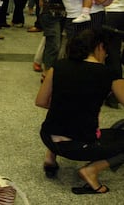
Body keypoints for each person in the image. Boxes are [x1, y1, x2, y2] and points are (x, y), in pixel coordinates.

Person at [36, 29, 124, 194]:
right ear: (99, 47)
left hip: (47, 137)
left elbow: (40, 101)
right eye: (106, 50)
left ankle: (50, 157)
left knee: (62, 120)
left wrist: (68, 106)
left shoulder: (58, 66)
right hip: (77, 147)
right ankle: (91, 171)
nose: (106, 55)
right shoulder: (108, 73)